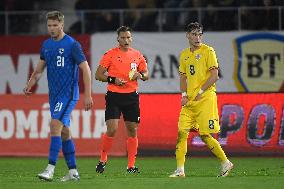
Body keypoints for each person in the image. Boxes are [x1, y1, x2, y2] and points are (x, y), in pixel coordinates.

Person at [23, 11, 93, 181]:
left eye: (55, 25)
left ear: (62, 25)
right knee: (64, 132)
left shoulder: (72, 45)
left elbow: (86, 69)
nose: (52, 28)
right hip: (54, 96)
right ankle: (73, 171)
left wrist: (87, 95)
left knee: (55, 125)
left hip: (68, 94)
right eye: (49, 25)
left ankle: (50, 168)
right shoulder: (46, 45)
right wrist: (30, 83)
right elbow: (39, 70)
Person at [169, 22, 233, 178]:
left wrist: (201, 91)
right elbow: (183, 77)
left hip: (205, 99)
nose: (197, 37)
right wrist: (183, 95)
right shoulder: (184, 54)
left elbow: (215, 76)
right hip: (190, 101)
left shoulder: (208, 51)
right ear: (188, 35)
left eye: (199, 34)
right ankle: (180, 170)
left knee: (205, 135)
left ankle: (225, 162)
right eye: (194, 34)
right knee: (181, 132)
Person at [95, 26, 149, 173]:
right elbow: (98, 75)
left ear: (131, 38)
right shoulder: (110, 55)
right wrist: (113, 79)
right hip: (114, 96)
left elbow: (146, 74)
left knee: (132, 130)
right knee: (112, 129)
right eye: (123, 37)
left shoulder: (137, 55)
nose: (126, 40)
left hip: (131, 96)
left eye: (128, 37)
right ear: (118, 39)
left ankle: (131, 166)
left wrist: (141, 76)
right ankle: (102, 160)